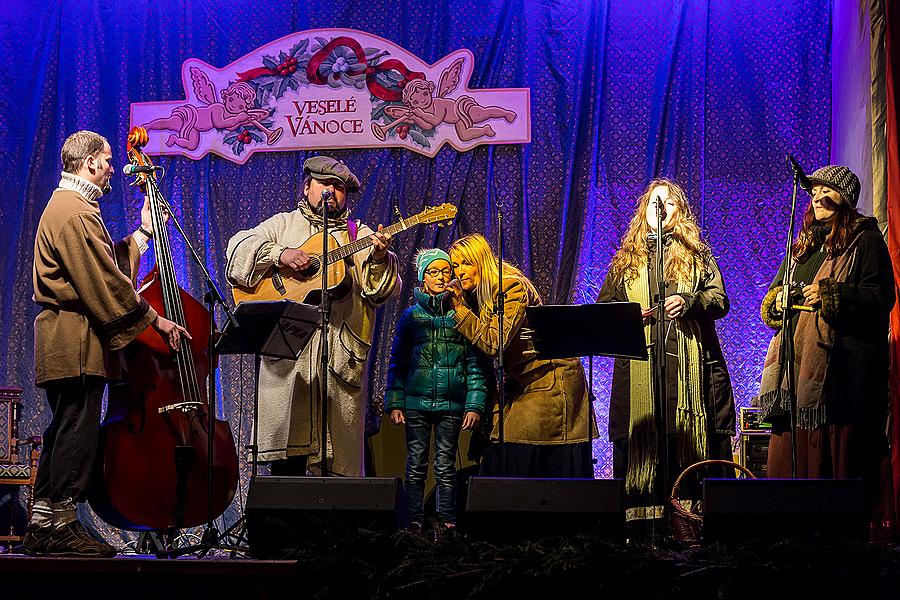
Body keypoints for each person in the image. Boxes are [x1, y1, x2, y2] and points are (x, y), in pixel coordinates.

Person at [23, 130, 187, 557]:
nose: (114, 167)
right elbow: (104, 281)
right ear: (90, 162)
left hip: (71, 338)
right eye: (109, 159)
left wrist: (143, 234)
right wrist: (155, 321)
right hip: (74, 339)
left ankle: (44, 523)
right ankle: (59, 525)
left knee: (64, 429)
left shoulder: (72, 208)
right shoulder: (74, 210)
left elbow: (101, 263)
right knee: (75, 433)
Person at [225, 156, 400, 477]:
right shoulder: (283, 225)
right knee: (286, 468)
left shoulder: (357, 234)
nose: (332, 191)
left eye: (340, 187)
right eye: (325, 184)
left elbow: (381, 292)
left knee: (335, 469)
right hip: (289, 361)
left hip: (338, 361)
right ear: (307, 187)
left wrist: (378, 257)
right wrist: (280, 254)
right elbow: (238, 249)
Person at [758, 165, 895, 532]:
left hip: (840, 382)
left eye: (826, 190)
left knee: (838, 471)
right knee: (791, 465)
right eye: (813, 190)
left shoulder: (864, 241)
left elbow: (880, 298)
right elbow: (772, 299)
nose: (817, 196)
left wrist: (832, 294)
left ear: (845, 200)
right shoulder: (803, 248)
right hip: (796, 382)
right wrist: (779, 301)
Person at [596, 178, 735, 533]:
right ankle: (643, 533)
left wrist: (690, 302)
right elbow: (603, 309)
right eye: (654, 202)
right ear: (643, 211)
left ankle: (687, 526)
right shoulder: (625, 262)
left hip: (688, 376)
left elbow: (719, 300)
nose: (661, 209)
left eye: (669, 203)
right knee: (645, 446)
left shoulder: (697, 256)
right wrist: (629, 313)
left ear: (680, 213)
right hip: (639, 373)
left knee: (682, 443)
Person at [446, 234, 595, 478]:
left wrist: (460, 310)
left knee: (515, 449)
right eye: (454, 266)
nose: (459, 272)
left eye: (466, 263)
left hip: (551, 380)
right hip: (523, 383)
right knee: (501, 450)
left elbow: (495, 342)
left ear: (482, 262)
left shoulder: (510, 286)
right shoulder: (479, 296)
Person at [385, 248, 488, 532]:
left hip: (451, 406)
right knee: (416, 465)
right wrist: (395, 401)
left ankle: (447, 523)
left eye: (446, 271)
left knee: (446, 467)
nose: (442, 277)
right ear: (423, 278)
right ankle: (414, 521)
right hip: (416, 404)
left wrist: (473, 404)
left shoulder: (461, 315)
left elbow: (474, 362)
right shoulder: (411, 317)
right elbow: (398, 361)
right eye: (434, 271)